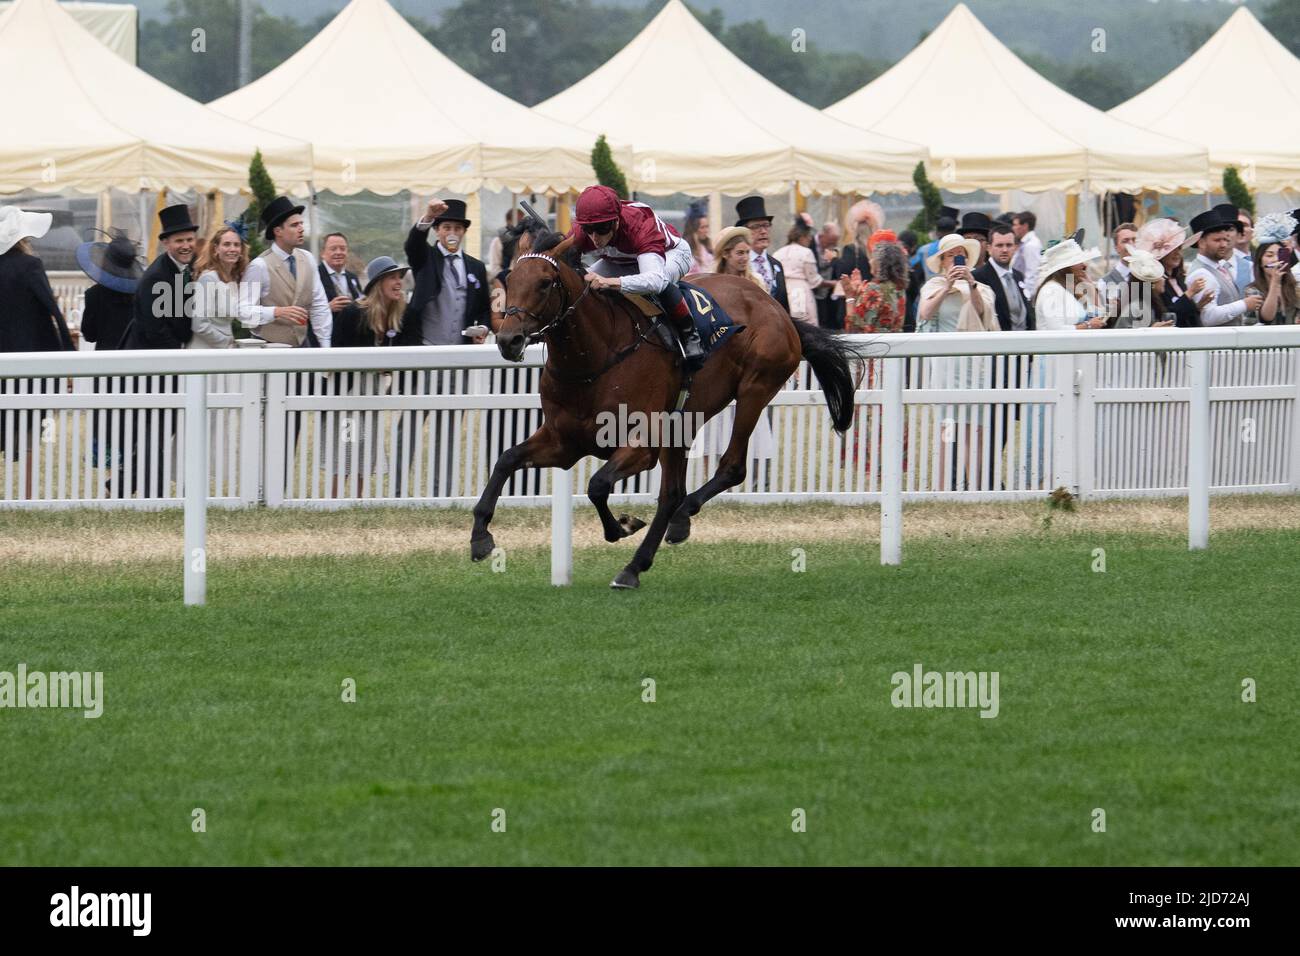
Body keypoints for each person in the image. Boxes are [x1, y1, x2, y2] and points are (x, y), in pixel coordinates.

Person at [392, 198, 491, 497]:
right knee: (409, 422)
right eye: (446, 226)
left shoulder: (475, 266)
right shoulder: (425, 258)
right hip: (424, 353)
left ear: (463, 232)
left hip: (458, 357)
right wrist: (426, 218)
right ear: (437, 231)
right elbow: (412, 245)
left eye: (457, 227)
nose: (452, 232)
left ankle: (441, 492)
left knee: (448, 428)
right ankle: (397, 491)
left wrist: (483, 328)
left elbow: (484, 309)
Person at [557, 185, 703, 368]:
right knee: (583, 284)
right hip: (621, 260)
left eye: (601, 228)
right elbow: (563, 265)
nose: (595, 237)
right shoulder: (583, 231)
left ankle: (690, 334)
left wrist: (611, 282)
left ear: (616, 221)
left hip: (671, 254)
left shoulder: (640, 223)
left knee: (662, 282)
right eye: (588, 229)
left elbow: (654, 281)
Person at [118, 203, 200, 497]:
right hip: (153, 365)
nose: (186, 245)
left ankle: (121, 484)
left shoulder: (187, 269)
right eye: (179, 241)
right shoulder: (155, 277)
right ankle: (155, 494)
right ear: (166, 243)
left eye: (190, 239)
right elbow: (156, 331)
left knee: (163, 429)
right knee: (157, 428)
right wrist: (185, 350)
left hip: (168, 360)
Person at [0, 205, 75, 498]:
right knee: (29, 425)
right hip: (31, 356)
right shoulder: (30, 265)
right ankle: (27, 496)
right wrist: (69, 354)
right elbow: (52, 309)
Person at [917, 234, 997, 490]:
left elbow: (984, 313)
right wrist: (946, 287)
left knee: (976, 428)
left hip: (976, 366)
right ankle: (943, 487)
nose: (955, 259)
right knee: (948, 429)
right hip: (946, 367)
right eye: (951, 255)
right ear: (942, 261)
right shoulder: (933, 285)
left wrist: (970, 283)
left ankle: (977, 486)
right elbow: (925, 313)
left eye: (960, 254)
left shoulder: (981, 288)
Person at [330, 256, 409, 497]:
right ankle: (334, 502)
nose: (398, 283)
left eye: (399, 278)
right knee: (347, 448)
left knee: (366, 449)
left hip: (374, 391)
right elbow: (337, 355)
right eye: (392, 278)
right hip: (350, 392)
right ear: (378, 283)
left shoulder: (396, 314)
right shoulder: (354, 312)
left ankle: (357, 500)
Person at [238, 196, 332, 348]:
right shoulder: (259, 266)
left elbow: (319, 304)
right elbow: (243, 312)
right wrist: (276, 312)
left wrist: (325, 345)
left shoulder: (308, 259)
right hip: (268, 349)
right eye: (294, 225)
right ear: (278, 231)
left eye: (301, 223)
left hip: (302, 344)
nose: (301, 228)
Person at [1183, 206, 1263, 327]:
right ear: (1202, 243)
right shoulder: (1201, 273)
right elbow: (1208, 317)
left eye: (1225, 239)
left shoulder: (1218, 266)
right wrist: (1244, 304)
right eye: (1217, 240)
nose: (1224, 244)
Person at [76, 229, 141, 351]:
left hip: (105, 361)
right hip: (134, 358)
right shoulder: (141, 294)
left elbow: (89, 335)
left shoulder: (94, 295)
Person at [189, 223, 248, 350]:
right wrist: (225, 343)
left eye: (236, 245)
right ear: (216, 249)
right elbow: (199, 324)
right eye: (226, 244)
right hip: (205, 351)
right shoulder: (208, 278)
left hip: (223, 351)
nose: (232, 249)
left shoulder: (233, 279)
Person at [842, 233, 907, 334]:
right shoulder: (899, 288)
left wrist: (850, 297)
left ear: (880, 263)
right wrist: (860, 294)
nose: (870, 261)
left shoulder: (873, 289)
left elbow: (853, 329)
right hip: (895, 346)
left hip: (875, 346)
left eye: (873, 258)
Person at [735, 196, 789, 312]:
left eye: (766, 225)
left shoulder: (776, 265)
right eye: (756, 227)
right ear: (744, 231)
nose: (763, 231)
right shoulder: (739, 264)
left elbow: (785, 306)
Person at [1245, 213, 1299, 325]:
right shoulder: (1253, 290)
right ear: (1260, 261)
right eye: (1269, 255)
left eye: (1279, 255)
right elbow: (1267, 317)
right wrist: (1275, 282)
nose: (1275, 259)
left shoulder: (1294, 286)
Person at [773, 218, 823, 324]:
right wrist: (833, 283)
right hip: (801, 293)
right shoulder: (806, 253)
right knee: (807, 327)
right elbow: (814, 280)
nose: (810, 239)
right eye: (808, 236)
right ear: (801, 237)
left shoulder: (777, 253)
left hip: (783, 293)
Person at [318, 232, 363, 316]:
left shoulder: (352, 277)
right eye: (333, 249)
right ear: (322, 253)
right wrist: (327, 308)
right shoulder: (314, 276)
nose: (338, 252)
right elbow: (303, 309)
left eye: (342, 249)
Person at [1011, 211, 1044, 299]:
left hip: (1027, 295)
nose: (1013, 228)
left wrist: (1027, 295)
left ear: (1025, 226)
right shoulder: (1026, 243)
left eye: (1015, 225)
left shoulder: (1031, 245)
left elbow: (1032, 272)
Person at [682, 199, 713, 275]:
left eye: (707, 227)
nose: (706, 230)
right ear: (694, 229)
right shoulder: (685, 250)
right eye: (702, 227)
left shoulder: (707, 248)